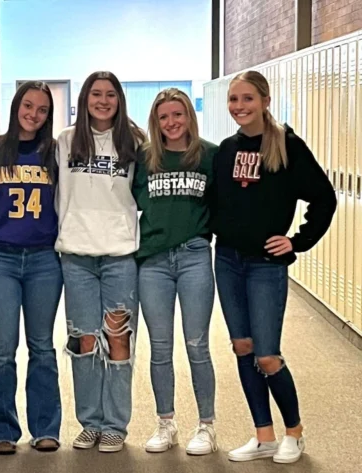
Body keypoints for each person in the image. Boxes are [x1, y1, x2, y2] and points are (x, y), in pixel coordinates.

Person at [211, 70, 337, 464]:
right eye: (233, 99)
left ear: (265, 100)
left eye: (247, 98)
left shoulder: (288, 145)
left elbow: (324, 199)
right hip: (228, 260)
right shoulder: (227, 150)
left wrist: (296, 242)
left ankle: (294, 433)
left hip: (265, 265)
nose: (239, 107)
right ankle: (263, 436)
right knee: (243, 348)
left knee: (267, 354)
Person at [56, 71, 145, 453]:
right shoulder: (64, 141)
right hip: (76, 255)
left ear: (119, 100)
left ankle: (116, 424)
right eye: (96, 94)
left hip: (120, 255)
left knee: (118, 340)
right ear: (85, 98)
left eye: (110, 95)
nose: (103, 101)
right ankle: (89, 421)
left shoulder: (136, 142)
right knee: (84, 341)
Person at [132, 88, 218, 455]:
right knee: (160, 348)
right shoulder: (145, 158)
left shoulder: (209, 155)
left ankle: (207, 425)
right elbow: (129, 203)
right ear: (156, 121)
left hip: (195, 256)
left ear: (189, 117)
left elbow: (225, 203)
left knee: (198, 345)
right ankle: (165, 423)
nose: (171, 123)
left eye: (177, 115)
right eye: (164, 116)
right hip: (153, 261)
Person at [0, 81, 62, 455]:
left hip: (44, 258)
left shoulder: (55, 153)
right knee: (2, 347)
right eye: (28, 105)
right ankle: (0, 430)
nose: (33, 114)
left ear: (48, 115)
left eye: (42, 109)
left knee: (42, 346)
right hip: (0, 258)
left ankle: (46, 427)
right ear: (16, 106)